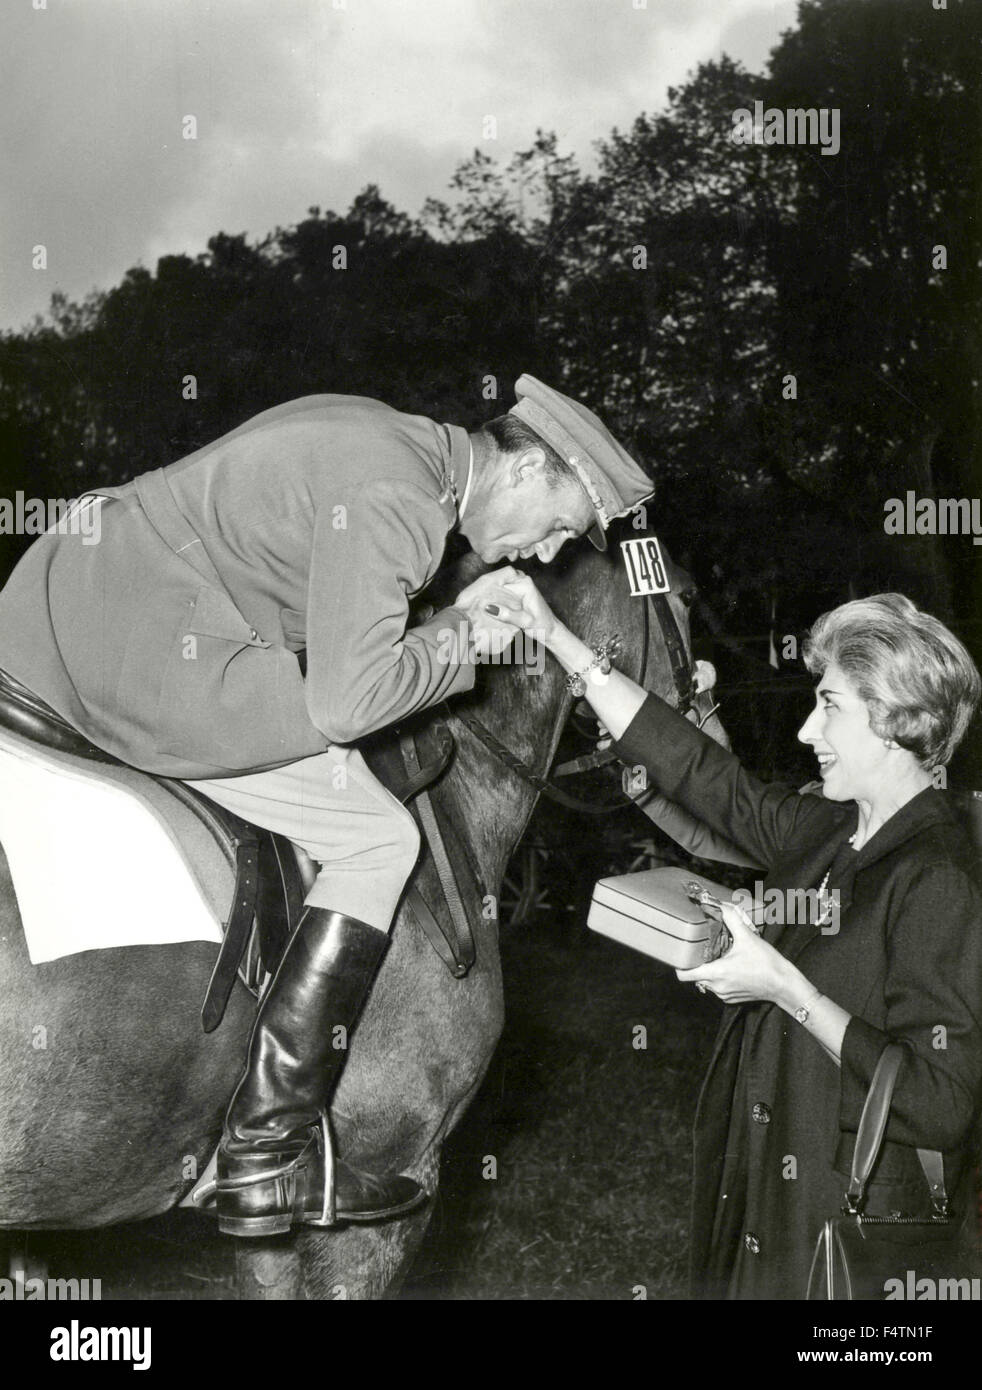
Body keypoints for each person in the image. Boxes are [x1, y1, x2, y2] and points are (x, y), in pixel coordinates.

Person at [0, 377, 656, 1236]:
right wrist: (460, 637)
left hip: (64, 597)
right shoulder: (407, 499)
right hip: (135, 641)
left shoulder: (380, 435)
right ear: (528, 465)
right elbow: (346, 703)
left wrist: (439, 618)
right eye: (561, 523)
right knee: (379, 838)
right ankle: (267, 1156)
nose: (545, 552)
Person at [500, 580, 982, 1298]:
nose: (804, 733)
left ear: (894, 720)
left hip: (842, 1231)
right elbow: (704, 776)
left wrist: (786, 987)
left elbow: (940, 1102)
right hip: (770, 1191)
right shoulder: (830, 828)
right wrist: (560, 639)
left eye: (829, 706)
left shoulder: (937, 876)